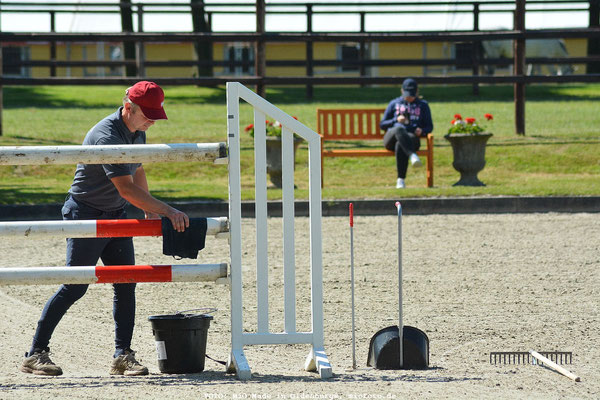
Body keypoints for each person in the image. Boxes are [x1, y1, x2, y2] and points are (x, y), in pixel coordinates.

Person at [20, 81, 190, 377]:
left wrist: (148, 208)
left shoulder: (137, 131)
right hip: (85, 213)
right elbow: (125, 187)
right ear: (128, 108)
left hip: (115, 213)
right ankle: (35, 353)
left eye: (155, 115)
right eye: (147, 115)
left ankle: (122, 355)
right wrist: (168, 210)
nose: (152, 122)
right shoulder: (106, 135)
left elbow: (138, 168)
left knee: (126, 283)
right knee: (75, 285)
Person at [380, 78, 433, 189]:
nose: (410, 97)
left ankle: (400, 181)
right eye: (408, 94)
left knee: (401, 144)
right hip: (391, 138)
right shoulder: (394, 103)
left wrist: (422, 131)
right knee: (399, 129)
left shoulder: (423, 105)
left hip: (411, 138)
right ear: (402, 91)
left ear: (417, 92)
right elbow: (382, 124)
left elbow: (429, 127)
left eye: (412, 95)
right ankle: (412, 155)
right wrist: (396, 120)